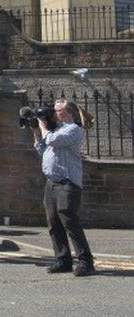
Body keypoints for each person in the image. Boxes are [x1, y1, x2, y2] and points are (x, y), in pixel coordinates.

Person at [32, 98, 96, 277]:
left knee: (69, 220)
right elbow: (42, 149)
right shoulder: (55, 129)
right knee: (53, 222)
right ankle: (63, 259)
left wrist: (43, 126)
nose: (53, 113)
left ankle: (86, 261)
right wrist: (36, 132)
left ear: (68, 113)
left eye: (57, 110)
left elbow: (53, 141)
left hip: (68, 183)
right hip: (51, 182)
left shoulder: (74, 129)